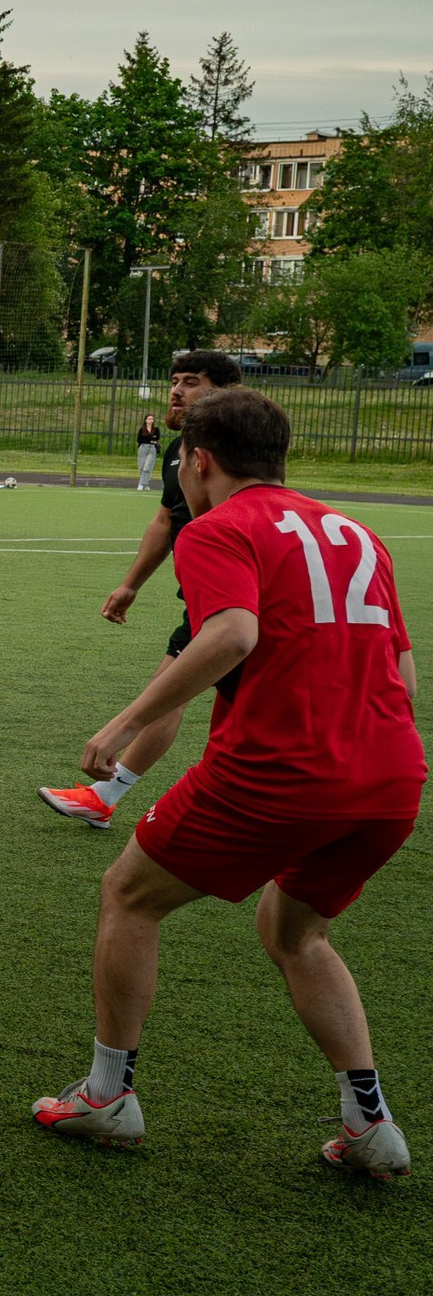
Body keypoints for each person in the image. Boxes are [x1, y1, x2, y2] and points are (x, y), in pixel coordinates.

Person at [31, 388, 422, 1179]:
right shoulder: (358, 533)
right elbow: (405, 678)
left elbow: (234, 632)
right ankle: (371, 1124)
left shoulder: (216, 528)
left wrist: (120, 725)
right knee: (295, 931)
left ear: (199, 460)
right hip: (390, 776)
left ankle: (108, 1096)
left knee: (130, 896)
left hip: (280, 772)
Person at [39, 353, 246, 827]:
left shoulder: (237, 448)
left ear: (223, 391)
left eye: (190, 382)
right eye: (173, 381)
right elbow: (165, 519)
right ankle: (105, 797)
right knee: (176, 692)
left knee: (173, 691)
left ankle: (107, 796)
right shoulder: (180, 447)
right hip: (205, 594)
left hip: (232, 594)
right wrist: (131, 584)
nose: (175, 391)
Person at [135, 413, 161, 490]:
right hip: (143, 448)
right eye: (149, 419)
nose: (150, 420)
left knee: (147, 467)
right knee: (142, 467)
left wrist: (150, 440)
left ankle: (141, 484)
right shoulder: (142, 429)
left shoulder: (156, 430)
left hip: (152, 449)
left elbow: (156, 438)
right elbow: (139, 439)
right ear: (146, 420)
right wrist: (150, 439)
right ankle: (146, 484)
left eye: (152, 419)